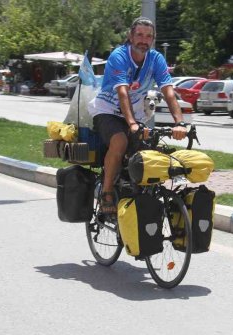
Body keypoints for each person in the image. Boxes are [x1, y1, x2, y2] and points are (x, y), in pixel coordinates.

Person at [88, 17, 187, 220]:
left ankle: (140, 196)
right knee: (120, 140)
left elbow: (168, 92)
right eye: (139, 35)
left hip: (135, 114)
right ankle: (106, 193)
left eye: (148, 36)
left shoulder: (156, 59)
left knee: (152, 151)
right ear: (131, 36)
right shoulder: (119, 56)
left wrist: (180, 123)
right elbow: (123, 93)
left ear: (153, 40)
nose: (144, 40)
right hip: (108, 110)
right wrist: (132, 124)